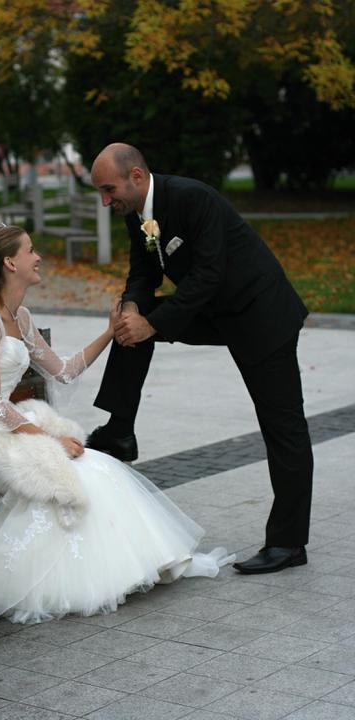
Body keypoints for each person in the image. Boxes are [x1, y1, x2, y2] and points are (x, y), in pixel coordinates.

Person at [0, 223, 233, 624]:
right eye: (30, 250)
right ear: (10, 263)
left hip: (3, 429)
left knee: (97, 466)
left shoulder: (21, 316)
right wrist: (51, 442)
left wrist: (109, 331)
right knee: (65, 475)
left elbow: (64, 371)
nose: (38, 257)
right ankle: (52, 580)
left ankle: (130, 564)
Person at [86, 143, 314, 576]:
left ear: (136, 177)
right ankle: (120, 430)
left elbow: (209, 274)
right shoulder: (137, 214)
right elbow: (143, 273)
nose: (104, 200)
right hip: (215, 313)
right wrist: (132, 310)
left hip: (261, 317)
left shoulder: (193, 198)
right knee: (131, 324)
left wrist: (152, 324)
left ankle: (288, 543)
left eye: (108, 189)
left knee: (284, 429)